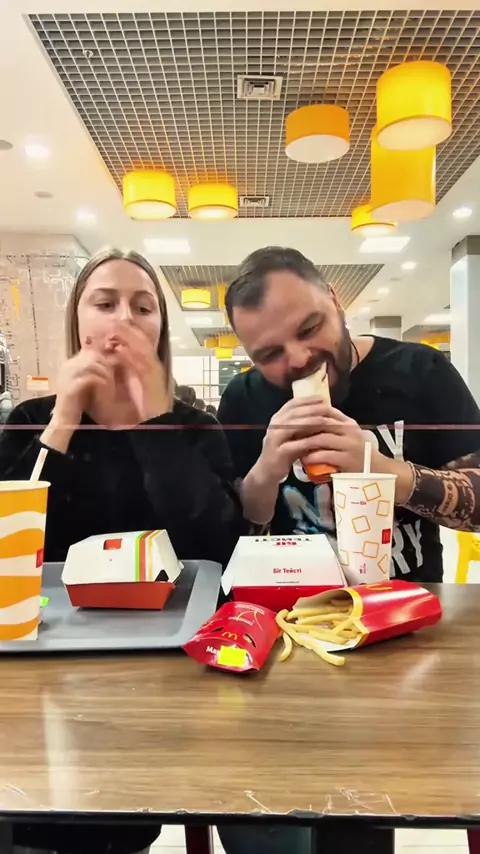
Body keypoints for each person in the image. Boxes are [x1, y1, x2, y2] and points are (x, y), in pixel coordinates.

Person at [1, 247, 244, 854]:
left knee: (121, 820)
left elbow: (217, 547)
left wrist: (153, 419)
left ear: (160, 328)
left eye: (142, 308)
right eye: (104, 304)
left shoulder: (193, 426)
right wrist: (63, 420)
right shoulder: (29, 418)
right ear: (78, 321)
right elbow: (12, 542)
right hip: (43, 654)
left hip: (163, 665)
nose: (123, 322)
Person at [218, 246, 480, 583]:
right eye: (270, 354)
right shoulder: (242, 399)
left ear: (334, 299)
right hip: (292, 603)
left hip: (411, 599)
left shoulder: (421, 370)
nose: (298, 358)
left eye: (309, 328)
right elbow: (230, 542)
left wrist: (383, 470)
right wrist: (263, 476)